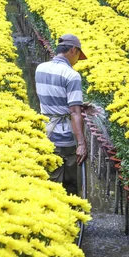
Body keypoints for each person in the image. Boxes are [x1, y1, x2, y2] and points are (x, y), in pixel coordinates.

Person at [35, 34, 88, 196]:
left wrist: (80, 105)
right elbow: (74, 112)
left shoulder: (40, 68)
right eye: (78, 55)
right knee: (69, 187)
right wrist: (81, 143)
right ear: (73, 50)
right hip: (64, 138)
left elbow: (52, 99)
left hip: (44, 133)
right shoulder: (71, 75)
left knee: (49, 181)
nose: (78, 60)